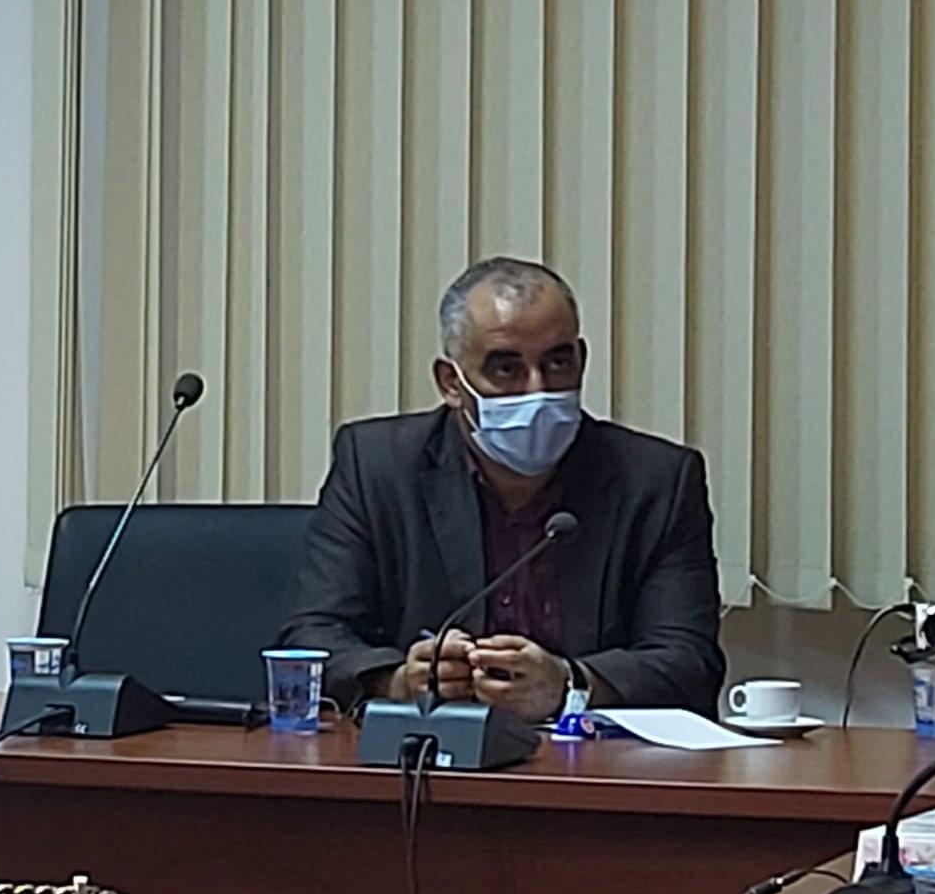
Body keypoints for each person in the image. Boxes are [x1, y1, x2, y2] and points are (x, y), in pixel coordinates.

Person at [279, 256, 725, 720]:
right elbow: (312, 637)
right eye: (506, 369)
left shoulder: (656, 480)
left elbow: (690, 664)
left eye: (558, 362)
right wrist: (397, 681)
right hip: (430, 749)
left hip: (592, 757)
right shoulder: (377, 466)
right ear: (452, 383)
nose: (538, 389)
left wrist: (571, 683)